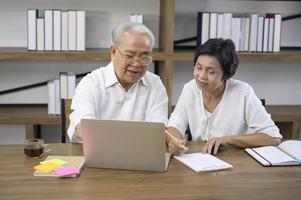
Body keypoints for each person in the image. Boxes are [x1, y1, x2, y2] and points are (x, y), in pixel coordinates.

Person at [167, 38, 282, 155]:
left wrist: (227, 140)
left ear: (226, 75)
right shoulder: (190, 88)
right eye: (199, 67)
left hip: (238, 163)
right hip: (199, 161)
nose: (201, 76)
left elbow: (273, 137)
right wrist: (174, 141)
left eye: (211, 72)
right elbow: (175, 125)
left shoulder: (243, 92)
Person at [67, 22, 168, 143]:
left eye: (144, 56)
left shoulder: (155, 84)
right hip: (99, 154)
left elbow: (158, 130)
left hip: (141, 156)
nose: (137, 64)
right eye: (129, 55)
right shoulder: (91, 83)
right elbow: (83, 127)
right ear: (113, 52)